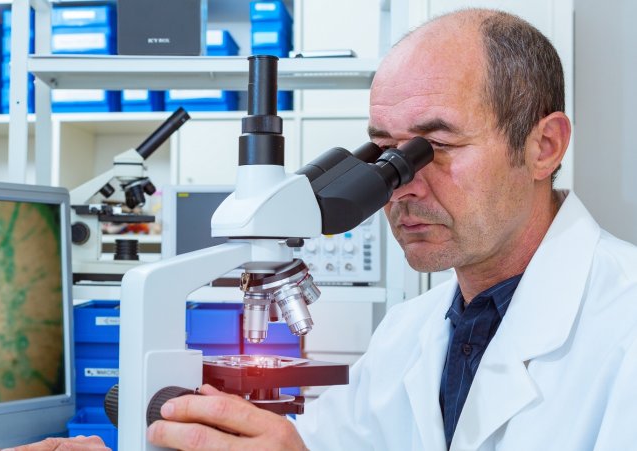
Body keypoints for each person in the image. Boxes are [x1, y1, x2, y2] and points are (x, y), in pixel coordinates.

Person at [143, 8, 637, 451]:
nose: (400, 187)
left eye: (436, 145)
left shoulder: (624, 328)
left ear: (544, 146)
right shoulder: (406, 333)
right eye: (384, 154)